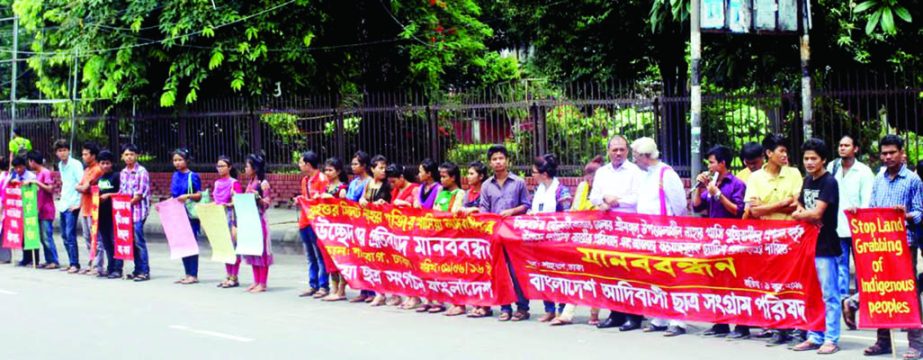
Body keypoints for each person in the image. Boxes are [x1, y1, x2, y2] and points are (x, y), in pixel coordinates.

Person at [860, 135, 923, 359]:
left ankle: (916, 343)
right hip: (879, 243)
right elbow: (872, 208)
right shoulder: (879, 179)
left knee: (908, 291)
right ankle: (883, 341)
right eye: (884, 153)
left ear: (901, 152)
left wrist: (904, 215)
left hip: (904, 244)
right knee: (881, 290)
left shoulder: (913, 180)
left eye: (892, 152)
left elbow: (920, 212)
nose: (887, 157)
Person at [744, 134, 803, 345]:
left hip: (792, 237)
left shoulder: (794, 173)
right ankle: (778, 326)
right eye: (781, 151)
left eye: (786, 151)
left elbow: (796, 204)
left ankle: (796, 326)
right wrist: (781, 204)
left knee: (794, 282)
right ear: (769, 154)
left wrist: (768, 207)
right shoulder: (755, 178)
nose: (785, 155)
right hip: (768, 239)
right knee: (772, 283)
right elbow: (754, 211)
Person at [630, 137, 688, 337]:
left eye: (636, 156)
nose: (634, 160)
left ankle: (678, 320)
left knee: (672, 276)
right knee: (654, 276)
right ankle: (660, 317)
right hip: (649, 233)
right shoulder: (646, 175)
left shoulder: (667, 174)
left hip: (667, 233)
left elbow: (680, 205)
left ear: (646, 156)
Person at [790, 138, 841, 355]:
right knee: (812, 293)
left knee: (829, 294)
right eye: (806, 158)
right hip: (809, 245)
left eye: (814, 158)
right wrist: (802, 213)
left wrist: (802, 215)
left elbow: (817, 213)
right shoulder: (807, 180)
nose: (809, 162)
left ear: (823, 160)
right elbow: (799, 204)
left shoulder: (829, 182)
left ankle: (831, 338)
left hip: (826, 246)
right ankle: (815, 335)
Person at [692, 145, 749, 339]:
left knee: (736, 281)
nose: (709, 166)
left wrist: (718, 194)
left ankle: (742, 325)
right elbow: (698, 206)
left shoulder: (737, 184)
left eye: (712, 162)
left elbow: (738, 210)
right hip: (714, 239)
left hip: (733, 239)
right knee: (716, 281)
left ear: (723, 163)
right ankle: (720, 323)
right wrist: (700, 188)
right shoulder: (711, 182)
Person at [589, 135, 644, 331]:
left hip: (629, 226)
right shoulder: (602, 172)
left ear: (627, 151)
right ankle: (616, 313)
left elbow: (639, 197)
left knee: (630, 270)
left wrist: (617, 201)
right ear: (608, 151)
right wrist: (603, 199)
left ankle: (634, 316)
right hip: (608, 227)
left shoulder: (635, 171)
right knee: (611, 270)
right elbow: (593, 195)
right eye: (615, 150)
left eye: (622, 149)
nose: (618, 153)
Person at [478, 145, 531, 321]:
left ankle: (523, 307)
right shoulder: (486, 185)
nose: (498, 162)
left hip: (514, 233)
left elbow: (526, 205)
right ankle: (505, 307)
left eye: (501, 158)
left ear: (508, 160)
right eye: (494, 159)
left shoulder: (519, 182)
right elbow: (483, 208)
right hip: (495, 234)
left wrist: (512, 211)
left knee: (517, 271)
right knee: (500, 271)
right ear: (490, 163)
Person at [825, 135, 873, 326]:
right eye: (840, 145)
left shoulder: (864, 172)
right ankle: (846, 303)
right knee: (841, 269)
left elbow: (867, 201)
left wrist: (860, 212)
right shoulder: (832, 167)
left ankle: (859, 304)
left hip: (858, 228)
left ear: (856, 149)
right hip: (837, 227)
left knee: (863, 269)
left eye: (847, 145)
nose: (842, 148)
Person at [553, 155, 604, 326]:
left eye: (593, 176)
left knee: (597, 277)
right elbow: (576, 209)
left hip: (600, 239)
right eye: (587, 176)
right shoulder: (582, 187)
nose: (589, 180)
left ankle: (594, 313)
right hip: (581, 237)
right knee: (577, 276)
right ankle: (567, 313)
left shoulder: (604, 189)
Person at [529, 154, 572, 323]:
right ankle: (549, 309)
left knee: (559, 274)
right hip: (539, 238)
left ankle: (562, 310)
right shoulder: (537, 189)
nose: (532, 175)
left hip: (557, 239)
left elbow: (566, 216)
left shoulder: (562, 191)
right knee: (543, 273)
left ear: (544, 174)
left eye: (534, 172)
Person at [403, 158, 444, 311]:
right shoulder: (418, 189)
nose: (419, 174)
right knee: (421, 265)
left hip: (432, 232)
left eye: (421, 171)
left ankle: (438, 299)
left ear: (429, 173)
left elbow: (437, 208)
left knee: (433, 266)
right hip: (419, 231)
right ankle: (427, 297)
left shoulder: (438, 189)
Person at [378, 163, 418, 307]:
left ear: (402, 177)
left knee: (411, 265)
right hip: (397, 231)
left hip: (410, 231)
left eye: (394, 181)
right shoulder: (396, 190)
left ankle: (414, 296)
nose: (392, 184)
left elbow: (418, 208)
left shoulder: (414, 189)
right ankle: (398, 294)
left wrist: (404, 204)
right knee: (397, 264)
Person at [434, 161, 466, 316]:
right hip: (439, 236)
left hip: (453, 237)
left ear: (453, 178)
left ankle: (459, 303)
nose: (441, 179)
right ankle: (446, 299)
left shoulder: (459, 193)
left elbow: (454, 213)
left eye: (444, 176)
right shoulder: (441, 192)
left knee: (455, 271)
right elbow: (434, 210)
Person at [296, 151, 329, 298]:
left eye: (301, 162)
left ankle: (323, 285)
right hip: (304, 221)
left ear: (308, 164)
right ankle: (313, 284)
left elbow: (326, 201)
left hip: (317, 222)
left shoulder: (322, 179)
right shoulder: (305, 180)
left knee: (320, 255)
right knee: (310, 255)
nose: (300, 165)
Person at [362, 155, 392, 306]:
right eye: (380, 167)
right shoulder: (368, 184)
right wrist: (362, 201)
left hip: (383, 226)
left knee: (385, 261)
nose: (383, 170)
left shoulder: (387, 185)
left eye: (384, 167)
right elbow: (363, 200)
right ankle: (378, 291)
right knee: (373, 261)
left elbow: (388, 204)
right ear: (372, 169)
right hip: (370, 224)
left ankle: (386, 292)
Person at [346, 150, 375, 303]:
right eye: (352, 164)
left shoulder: (369, 182)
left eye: (356, 164)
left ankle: (372, 291)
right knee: (358, 259)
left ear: (364, 166)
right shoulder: (353, 183)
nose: (353, 166)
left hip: (365, 224)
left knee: (368, 258)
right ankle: (363, 290)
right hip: (353, 223)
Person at [170, 148, 202, 285]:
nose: (177, 163)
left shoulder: (192, 176)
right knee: (182, 243)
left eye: (180, 160)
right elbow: (173, 194)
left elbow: (199, 195)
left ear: (187, 161)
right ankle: (187, 273)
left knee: (191, 243)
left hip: (189, 213)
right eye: (175, 160)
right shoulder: (175, 175)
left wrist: (188, 196)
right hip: (178, 212)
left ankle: (193, 274)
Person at [243, 153, 273, 293]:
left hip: (260, 220)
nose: (245, 168)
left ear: (254, 168)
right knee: (252, 250)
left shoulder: (263, 183)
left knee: (262, 252)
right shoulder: (250, 182)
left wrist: (259, 198)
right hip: (250, 219)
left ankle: (263, 283)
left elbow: (267, 203)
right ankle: (256, 280)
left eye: (247, 166)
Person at [320, 157, 349, 301]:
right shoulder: (326, 187)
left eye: (330, 170)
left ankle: (342, 289)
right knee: (330, 259)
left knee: (341, 258)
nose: (327, 172)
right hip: (327, 228)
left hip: (340, 228)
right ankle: (334, 288)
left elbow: (345, 207)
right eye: (326, 170)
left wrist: (332, 198)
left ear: (338, 172)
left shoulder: (342, 188)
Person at [54, 140, 84, 273]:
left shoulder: (76, 164)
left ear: (69, 151)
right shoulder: (60, 165)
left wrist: (78, 203)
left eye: (64, 150)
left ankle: (75, 263)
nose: (62, 153)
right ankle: (71, 261)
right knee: (64, 235)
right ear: (56, 153)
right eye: (60, 151)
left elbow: (82, 183)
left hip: (73, 203)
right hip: (64, 203)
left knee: (70, 234)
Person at [25, 150, 59, 269]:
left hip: (47, 209)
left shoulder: (45, 173)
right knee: (42, 237)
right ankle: (49, 259)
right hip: (39, 209)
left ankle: (54, 260)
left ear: (32, 161)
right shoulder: (38, 174)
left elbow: (50, 189)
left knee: (46, 236)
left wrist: (36, 183)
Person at [213, 156, 243, 288]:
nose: (220, 169)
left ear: (229, 167)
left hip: (231, 217)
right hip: (219, 216)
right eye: (218, 166)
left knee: (233, 247)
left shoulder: (234, 183)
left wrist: (230, 203)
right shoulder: (217, 183)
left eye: (222, 166)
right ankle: (228, 274)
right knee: (224, 247)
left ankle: (234, 276)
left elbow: (239, 202)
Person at [75, 142, 104, 275]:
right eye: (83, 154)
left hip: (94, 208)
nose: (83, 156)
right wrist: (81, 187)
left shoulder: (97, 169)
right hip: (85, 208)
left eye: (86, 154)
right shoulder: (86, 170)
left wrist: (81, 187)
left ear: (93, 155)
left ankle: (98, 266)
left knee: (96, 239)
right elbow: (79, 186)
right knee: (87, 237)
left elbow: (84, 187)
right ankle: (91, 263)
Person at [95, 150, 123, 278]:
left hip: (114, 213)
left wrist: (109, 195)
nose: (105, 165)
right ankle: (110, 267)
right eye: (102, 163)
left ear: (112, 163)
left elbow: (122, 193)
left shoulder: (117, 176)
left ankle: (118, 268)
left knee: (115, 241)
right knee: (106, 242)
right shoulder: (100, 179)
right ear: (99, 164)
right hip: (101, 214)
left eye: (107, 163)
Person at [10, 155, 38, 267]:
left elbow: (36, 190)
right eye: (16, 168)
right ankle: (25, 258)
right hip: (18, 209)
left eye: (20, 167)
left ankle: (35, 259)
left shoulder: (31, 176)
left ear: (24, 166)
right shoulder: (14, 175)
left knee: (31, 233)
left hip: (29, 207)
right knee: (22, 235)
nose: (18, 170)